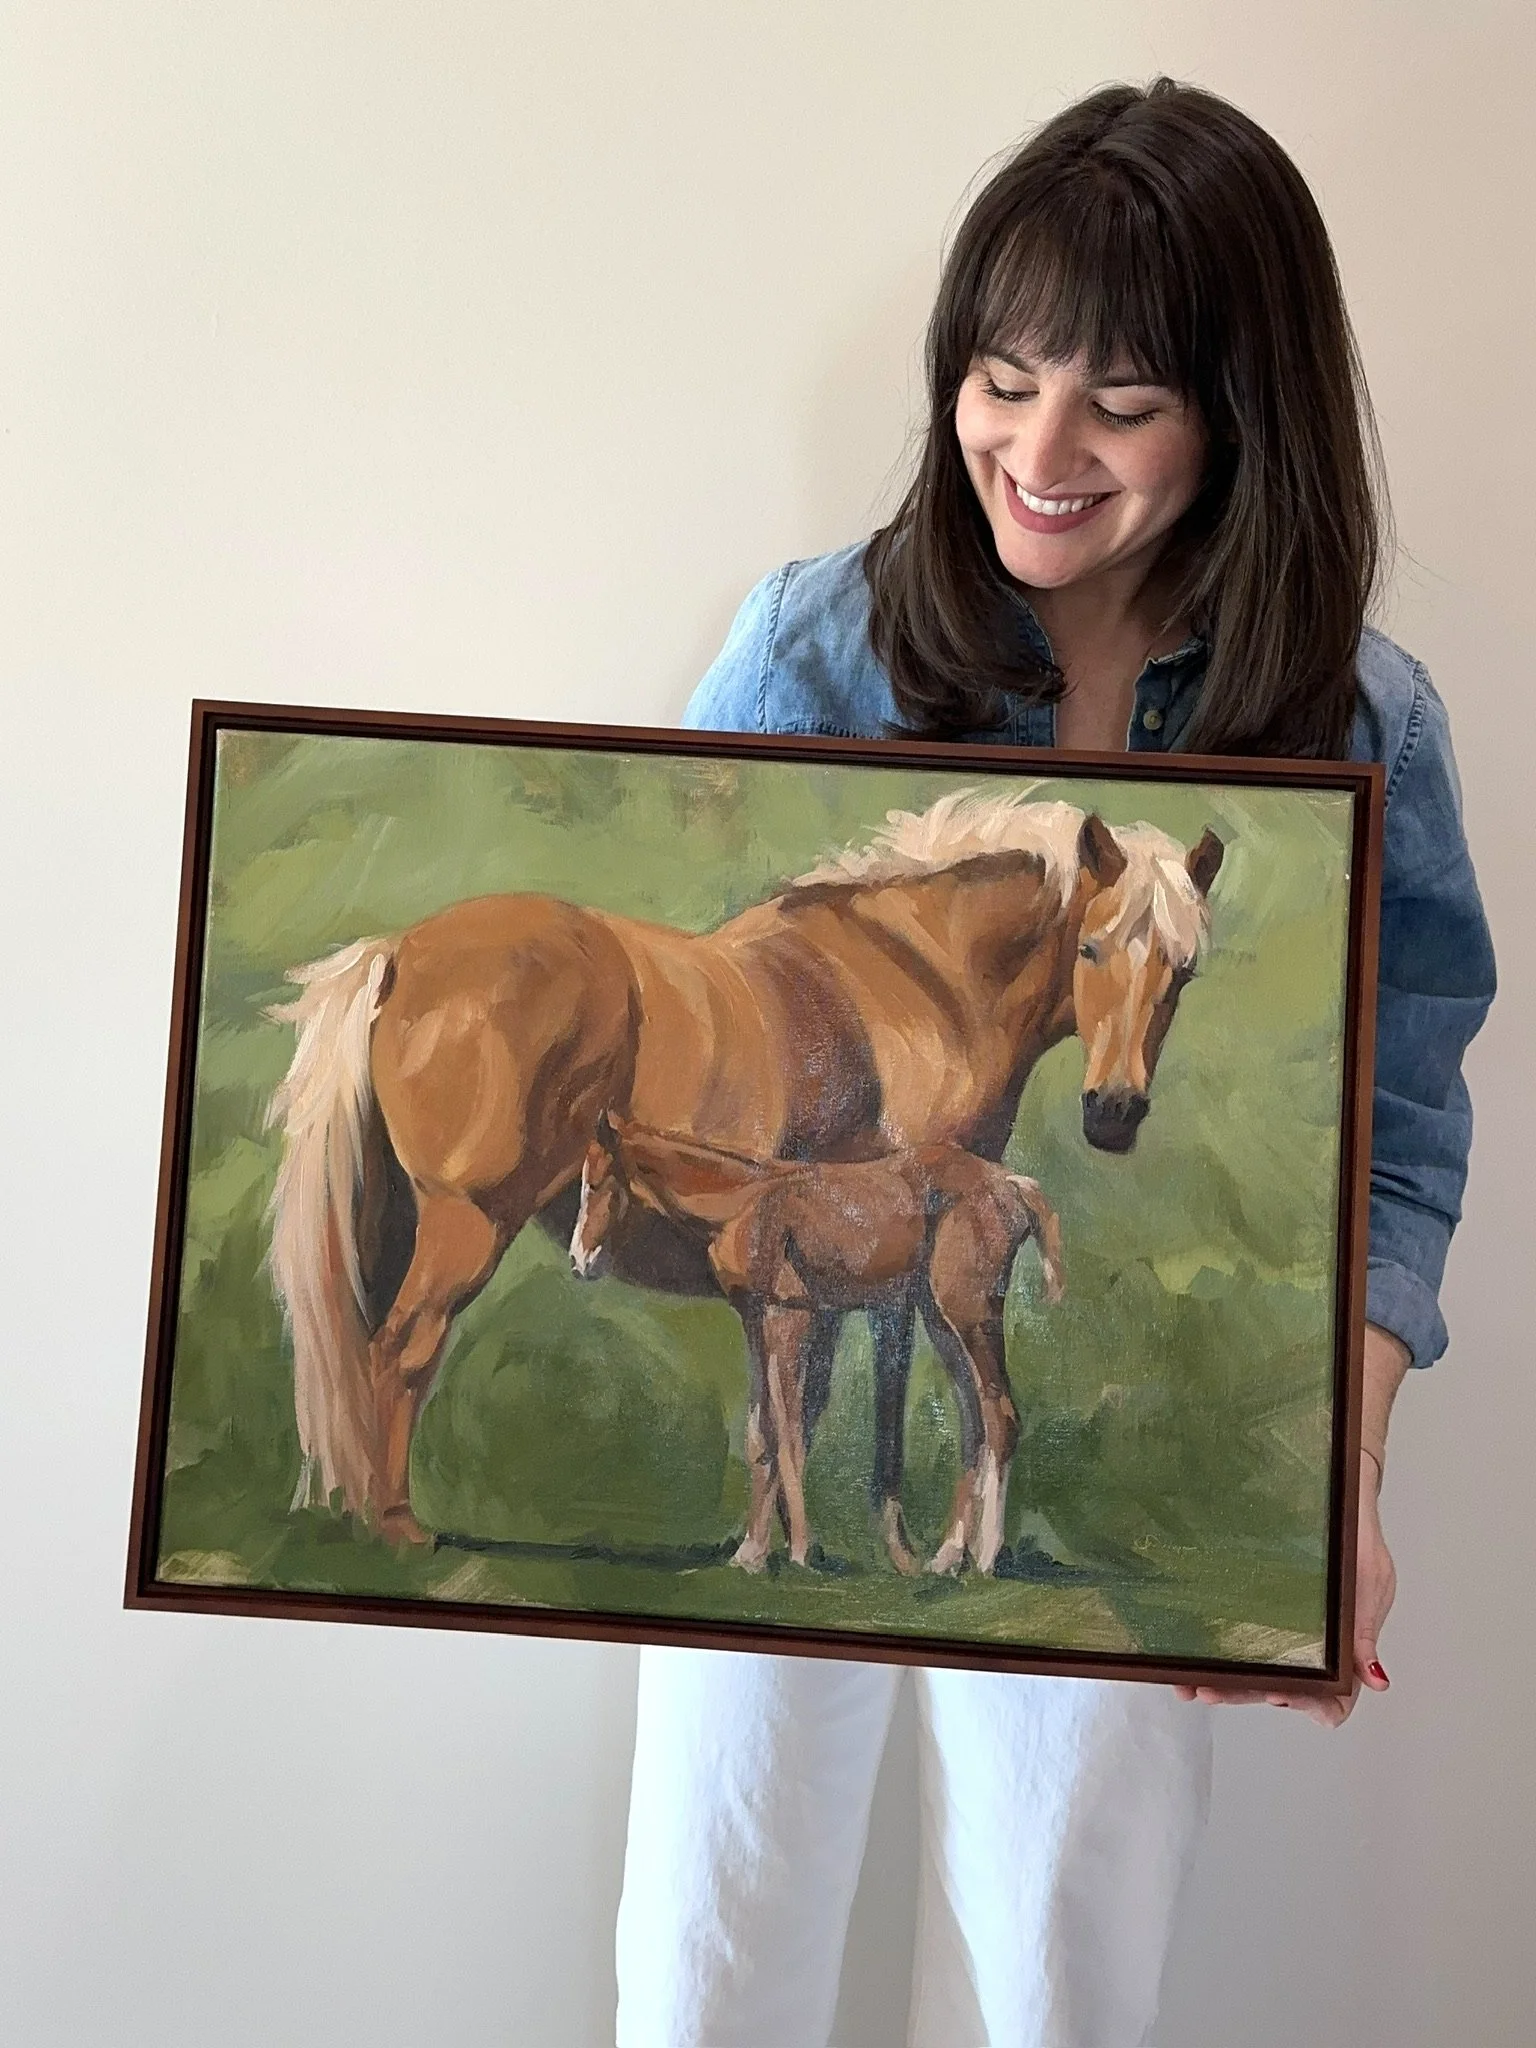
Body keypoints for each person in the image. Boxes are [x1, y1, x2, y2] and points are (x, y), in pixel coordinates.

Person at [613, 78, 1496, 2048]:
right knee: (712, 1943)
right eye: (1001, 381)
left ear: (1238, 409)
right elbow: (691, 1009)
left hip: (1100, 1397)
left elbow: (1397, 1133)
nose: (1039, 449)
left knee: (1060, 1971)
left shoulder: (1356, 715)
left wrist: (1333, 1485)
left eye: (1120, 400)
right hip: (786, 1352)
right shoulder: (817, 646)